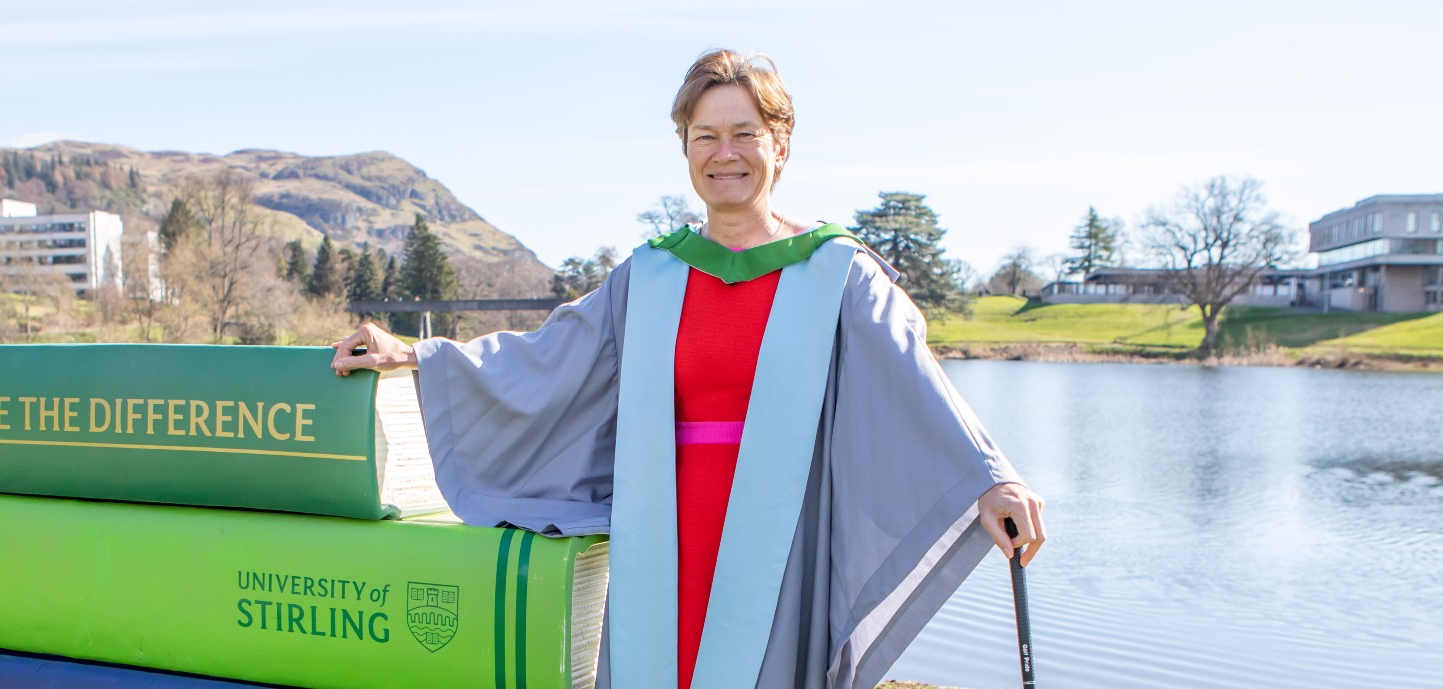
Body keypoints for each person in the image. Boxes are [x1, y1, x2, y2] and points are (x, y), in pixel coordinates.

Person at [332, 49, 1046, 689]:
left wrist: (990, 477)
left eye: (745, 134)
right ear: (685, 149)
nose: (724, 153)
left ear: (782, 145)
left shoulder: (838, 272)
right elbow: (548, 356)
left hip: (780, 534)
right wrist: (419, 354)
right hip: (664, 530)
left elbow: (912, 377)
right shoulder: (651, 275)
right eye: (705, 135)